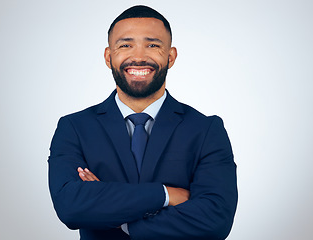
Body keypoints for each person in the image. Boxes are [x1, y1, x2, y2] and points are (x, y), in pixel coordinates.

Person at [48, 5, 237, 240]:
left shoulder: (206, 130)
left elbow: (215, 219)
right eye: (125, 45)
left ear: (171, 56)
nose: (138, 57)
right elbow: (71, 207)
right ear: (109, 56)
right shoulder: (74, 128)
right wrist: (166, 195)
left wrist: (119, 218)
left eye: (153, 45)